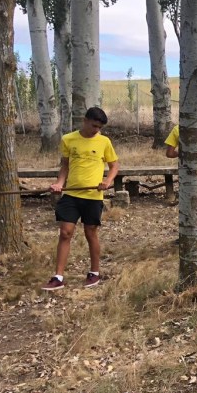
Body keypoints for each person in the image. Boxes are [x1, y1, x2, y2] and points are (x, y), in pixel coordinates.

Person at [41, 107, 119, 291]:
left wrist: (107, 181)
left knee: (90, 233)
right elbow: (65, 166)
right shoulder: (68, 139)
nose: (96, 130)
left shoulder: (104, 142)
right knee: (65, 232)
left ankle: (94, 273)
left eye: (99, 127)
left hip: (93, 196)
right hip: (71, 195)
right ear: (84, 121)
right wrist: (59, 183)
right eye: (94, 126)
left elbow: (114, 166)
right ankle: (58, 277)